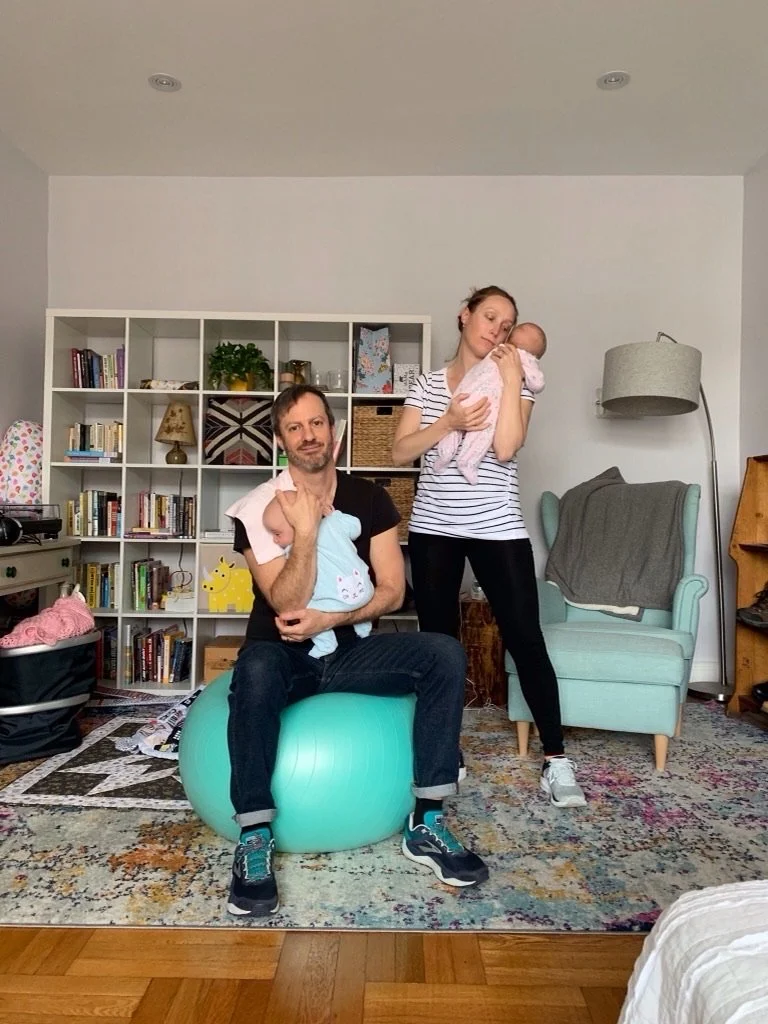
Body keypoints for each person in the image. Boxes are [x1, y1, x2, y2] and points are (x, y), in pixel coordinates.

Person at [222, 383, 488, 917]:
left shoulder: (369, 500)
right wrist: (303, 531)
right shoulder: (257, 511)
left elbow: (391, 590)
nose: (308, 435)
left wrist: (334, 618)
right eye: (294, 427)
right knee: (252, 666)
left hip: (349, 649)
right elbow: (285, 598)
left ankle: (427, 820)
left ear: (334, 434)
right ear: (280, 440)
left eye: (317, 422)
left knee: (442, 653)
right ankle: (253, 837)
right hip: (282, 653)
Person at [392, 286, 586, 810]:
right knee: (439, 644)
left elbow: (504, 447)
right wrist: (448, 423)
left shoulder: (518, 376)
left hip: (497, 526)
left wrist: (508, 376)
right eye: (489, 316)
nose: (497, 329)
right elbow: (400, 448)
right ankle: (441, 748)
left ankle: (556, 759)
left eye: (507, 324)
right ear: (464, 315)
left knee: (525, 637)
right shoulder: (429, 386)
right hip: (435, 528)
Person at [261, 490, 374, 657]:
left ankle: (326, 644)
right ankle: (363, 626)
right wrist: (336, 515)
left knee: (306, 611)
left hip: (332, 604)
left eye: (277, 534)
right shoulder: (332, 524)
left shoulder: (295, 551)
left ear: (295, 525)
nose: (274, 540)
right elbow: (356, 528)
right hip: (365, 592)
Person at [433, 322, 547, 484]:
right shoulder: (503, 354)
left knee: (472, 430)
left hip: (472, 396)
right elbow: (537, 383)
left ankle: (451, 456)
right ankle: (464, 460)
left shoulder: (518, 359)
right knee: (477, 431)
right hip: (479, 397)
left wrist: (516, 378)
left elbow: (504, 452)